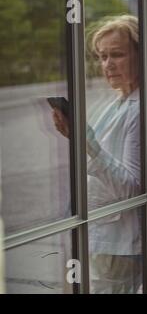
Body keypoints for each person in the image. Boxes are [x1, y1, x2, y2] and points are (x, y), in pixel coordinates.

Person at [52, 15, 142, 293]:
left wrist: (88, 144)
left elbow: (132, 188)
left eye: (117, 54)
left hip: (117, 242)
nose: (107, 65)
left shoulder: (141, 109)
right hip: (99, 234)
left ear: (142, 55)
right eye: (102, 57)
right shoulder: (120, 101)